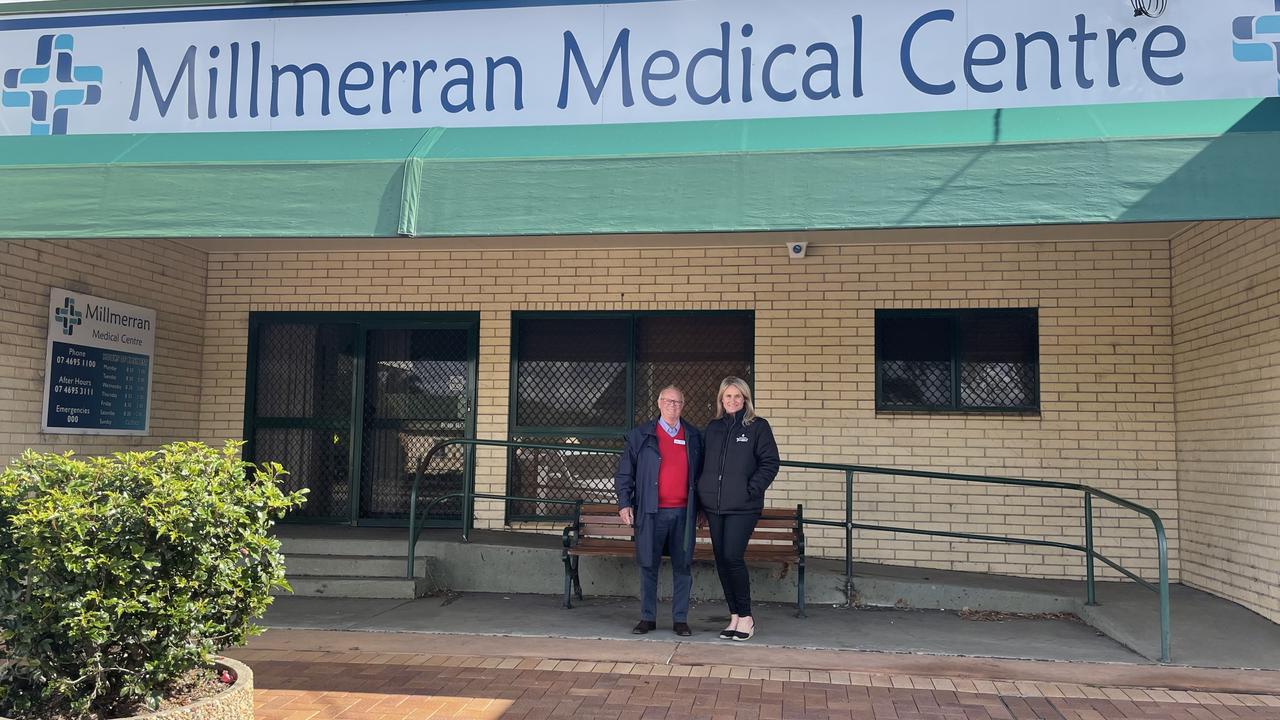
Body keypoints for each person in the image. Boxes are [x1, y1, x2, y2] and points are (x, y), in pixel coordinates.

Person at [614, 385, 704, 636]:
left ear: (683, 405)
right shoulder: (641, 435)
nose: (672, 406)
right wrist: (624, 503)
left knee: (683, 566)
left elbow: (702, 475)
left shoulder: (694, 436)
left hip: (684, 513)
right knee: (648, 564)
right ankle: (647, 618)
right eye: (668, 401)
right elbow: (624, 473)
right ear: (659, 403)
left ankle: (680, 619)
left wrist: (702, 510)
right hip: (651, 512)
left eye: (677, 402)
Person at [697, 376, 780, 641]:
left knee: (733, 556)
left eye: (737, 396)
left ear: (745, 399)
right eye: (727, 396)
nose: (732, 400)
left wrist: (749, 490)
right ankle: (734, 615)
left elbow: (770, 463)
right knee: (721, 560)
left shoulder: (757, 427)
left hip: (743, 507)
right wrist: (702, 498)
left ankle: (746, 616)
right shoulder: (713, 428)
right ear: (721, 399)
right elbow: (702, 465)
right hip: (715, 506)